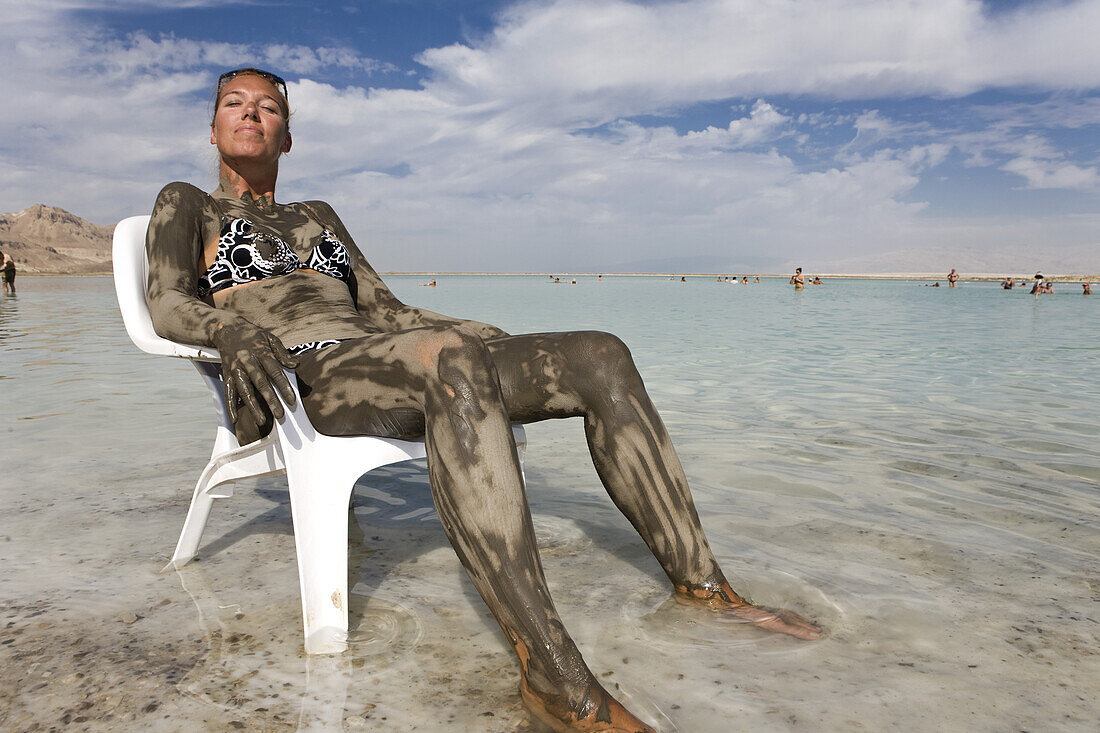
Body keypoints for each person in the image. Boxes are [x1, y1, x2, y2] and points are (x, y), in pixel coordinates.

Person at [145, 67, 819, 732]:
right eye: (235, 103)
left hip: (385, 356)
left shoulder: (319, 217)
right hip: (302, 375)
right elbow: (167, 303)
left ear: (287, 137)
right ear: (213, 128)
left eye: (268, 107)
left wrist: (476, 333)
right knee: (452, 355)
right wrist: (228, 327)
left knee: (598, 353)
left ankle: (706, 587)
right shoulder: (189, 204)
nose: (252, 114)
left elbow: (388, 309)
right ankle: (551, 673)